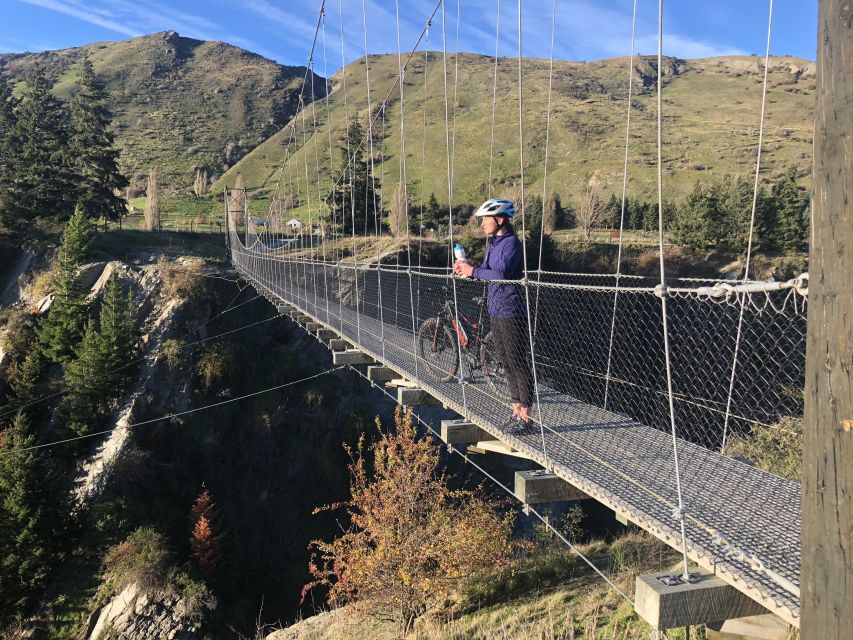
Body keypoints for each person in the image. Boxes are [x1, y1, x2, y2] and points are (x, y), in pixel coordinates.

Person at [453, 198, 534, 432]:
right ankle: (516, 411)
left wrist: (474, 271)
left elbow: (500, 273)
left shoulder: (512, 244)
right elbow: (488, 270)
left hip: (511, 310)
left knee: (517, 362)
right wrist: (469, 267)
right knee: (505, 362)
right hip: (495, 308)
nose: (482, 225)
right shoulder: (493, 243)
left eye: (485, 220)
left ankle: (526, 419)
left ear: (500, 219)